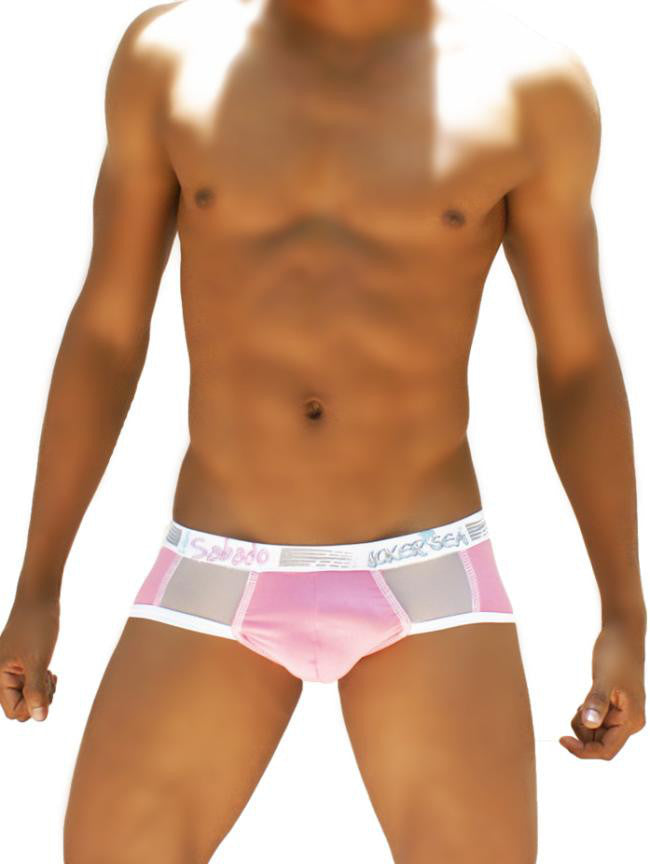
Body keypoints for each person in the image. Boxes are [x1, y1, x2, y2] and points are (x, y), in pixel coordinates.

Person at [0, 0, 646, 861]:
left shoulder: (531, 86)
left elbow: (577, 362)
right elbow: (108, 332)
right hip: (215, 562)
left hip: (428, 569)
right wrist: (38, 586)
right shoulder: (168, 56)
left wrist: (624, 616)